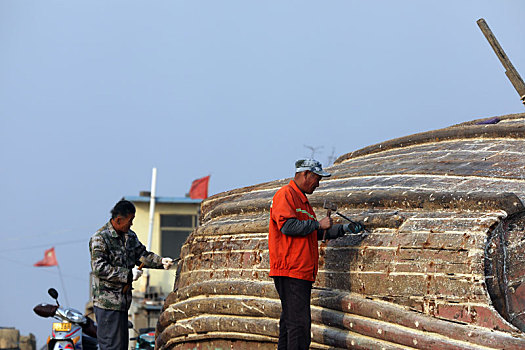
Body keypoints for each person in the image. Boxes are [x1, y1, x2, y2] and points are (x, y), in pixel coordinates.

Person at [269, 159, 368, 350]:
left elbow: (313, 232)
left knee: (290, 323)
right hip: (291, 270)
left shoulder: (303, 202)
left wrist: (344, 229)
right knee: (299, 325)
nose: (318, 183)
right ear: (305, 174)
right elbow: (287, 227)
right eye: (316, 178)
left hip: (299, 271)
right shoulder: (286, 195)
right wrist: (318, 224)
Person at [89, 200, 174, 350]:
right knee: (111, 347)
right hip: (107, 304)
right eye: (130, 221)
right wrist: (128, 275)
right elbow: (99, 268)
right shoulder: (100, 239)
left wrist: (161, 262)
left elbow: (142, 255)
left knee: (121, 346)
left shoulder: (129, 236)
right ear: (118, 219)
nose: (131, 224)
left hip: (123, 303)